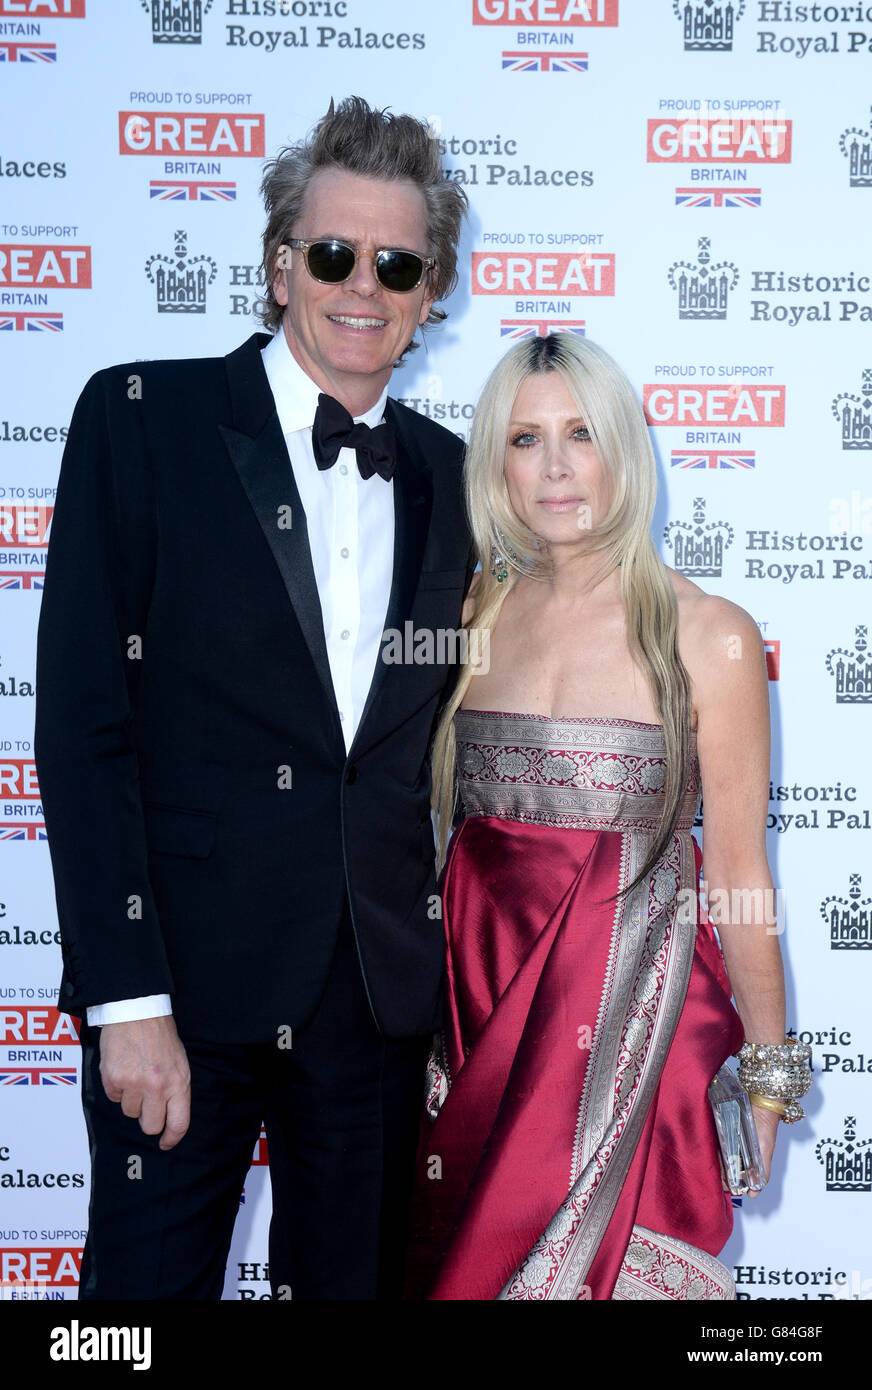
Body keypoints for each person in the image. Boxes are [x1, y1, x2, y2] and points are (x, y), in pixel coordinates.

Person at [34, 96, 472, 1301]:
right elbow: (82, 734)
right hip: (179, 985)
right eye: (332, 254)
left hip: (374, 1006)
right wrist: (126, 1000)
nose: (362, 286)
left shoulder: (455, 475)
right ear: (279, 267)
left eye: (397, 264)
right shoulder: (142, 422)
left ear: (430, 290)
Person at [404, 332, 809, 1301]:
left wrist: (765, 1070)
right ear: (493, 462)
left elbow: (742, 877)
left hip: (642, 1033)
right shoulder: (467, 617)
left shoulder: (707, 634)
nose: (552, 467)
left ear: (621, 447)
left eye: (579, 434)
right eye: (522, 438)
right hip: (476, 1023)